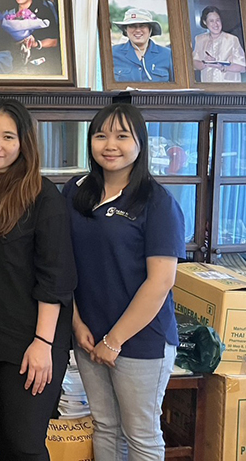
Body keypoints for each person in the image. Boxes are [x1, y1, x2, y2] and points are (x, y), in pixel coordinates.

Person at [64, 103, 184, 461]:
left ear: (140, 143)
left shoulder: (156, 201)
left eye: (121, 136)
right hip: (87, 334)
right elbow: (62, 262)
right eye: (101, 135)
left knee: (140, 435)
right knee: (104, 426)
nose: (109, 145)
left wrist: (114, 341)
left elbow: (160, 282)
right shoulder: (76, 190)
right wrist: (76, 323)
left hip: (139, 341)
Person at [0, 99, 76, 461]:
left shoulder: (41, 194)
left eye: (8, 136)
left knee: (25, 444)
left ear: (24, 142)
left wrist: (43, 342)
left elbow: (55, 275)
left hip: (30, 339)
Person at [0, 0, 61, 75]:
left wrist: (36, 44)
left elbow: (55, 41)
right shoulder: (9, 14)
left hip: (40, 69)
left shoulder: (43, 12)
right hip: (14, 68)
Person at [112, 8, 174, 82]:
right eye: (132, 26)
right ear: (125, 30)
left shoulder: (167, 54)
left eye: (142, 26)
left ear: (150, 29)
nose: (138, 30)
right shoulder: (112, 53)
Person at [191, 5, 246, 83]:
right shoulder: (200, 39)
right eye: (211, 21)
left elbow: (243, 67)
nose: (215, 24)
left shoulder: (232, 39)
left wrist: (223, 67)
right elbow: (193, 63)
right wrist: (205, 63)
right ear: (205, 22)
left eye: (218, 20)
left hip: (228, 88)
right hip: (208, 87)